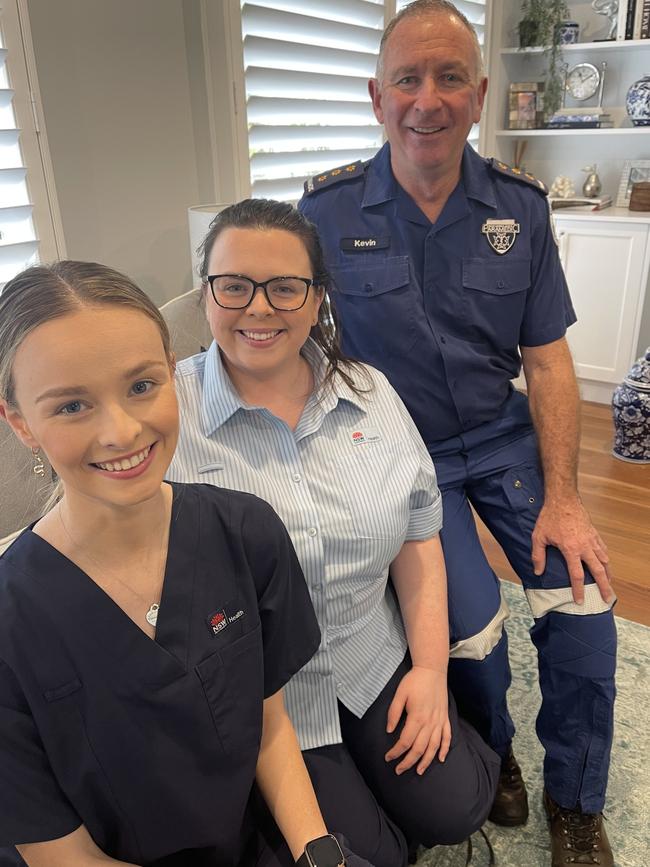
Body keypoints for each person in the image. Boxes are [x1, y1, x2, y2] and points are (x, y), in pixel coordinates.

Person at [297, 2, 617, 865]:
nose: (426, 101)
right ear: (376, 96)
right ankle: (493, 751)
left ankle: (575, 803)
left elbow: (548, 363)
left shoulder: (520, 210)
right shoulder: (322, 215)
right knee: (469, 629)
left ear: (479, 97)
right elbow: (287, 337)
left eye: (448, 80)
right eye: (407, 79)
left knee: (583, 608)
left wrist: (568, 498)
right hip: (404, 456)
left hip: (507, 443)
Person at [0, 260, 372, 867]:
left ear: (174, 377)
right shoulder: (13, 622)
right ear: (20, 423)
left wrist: (317, 851)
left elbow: (267, 719)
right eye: (71, 406)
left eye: (142, 386)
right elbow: (63, 857)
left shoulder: (246, 533)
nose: (121, 432)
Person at [166, 198, 499, 867]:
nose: (259, 308)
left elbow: (419, 535)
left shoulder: (370, 392)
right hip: (268, 702)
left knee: (458, 806)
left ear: (317, 298)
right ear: (205, 294)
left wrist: (430, 671)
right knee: (368, 853)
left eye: (286, 287)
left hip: (369, 657)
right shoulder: (166, 414)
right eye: (234, 285)